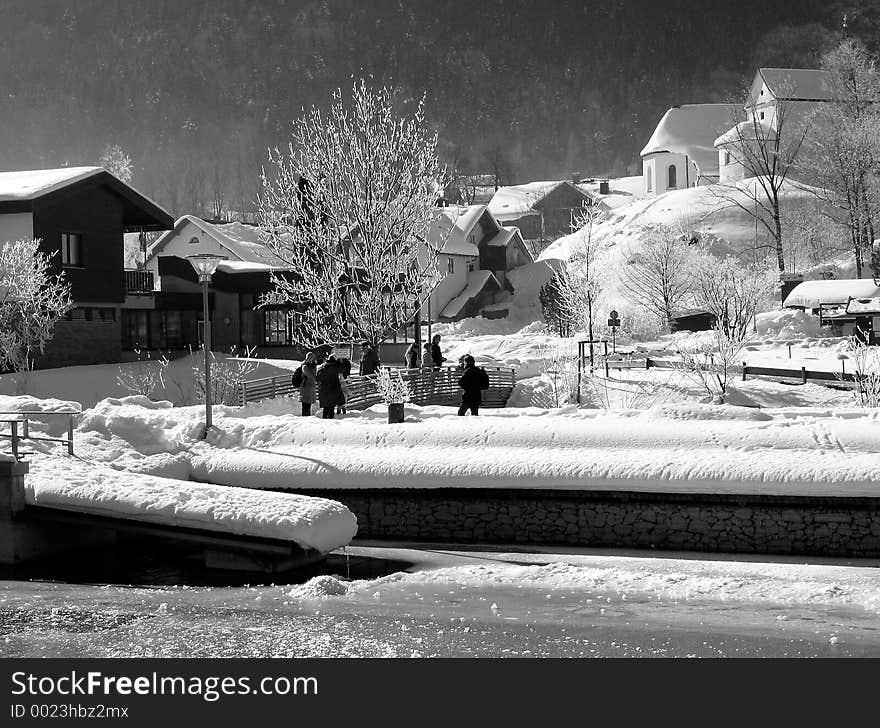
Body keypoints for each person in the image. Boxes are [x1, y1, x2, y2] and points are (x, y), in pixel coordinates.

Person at [299, 351, 318, 417]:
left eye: (311, 358)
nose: (310, 359)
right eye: (309, 358)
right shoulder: (305, 366)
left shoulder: (313, 366)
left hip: (311, 388)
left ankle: (308, 418)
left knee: (308, 405)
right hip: (305, 387)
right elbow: (310, 376)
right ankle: (305, 419)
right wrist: (316, 379)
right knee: (305, 405)